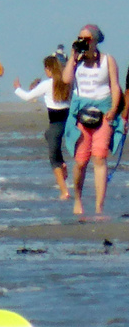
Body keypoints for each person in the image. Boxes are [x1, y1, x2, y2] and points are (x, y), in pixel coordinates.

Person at [62, 24, 122, 216]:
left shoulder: (107, 60)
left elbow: (115, 86)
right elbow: (65, 80)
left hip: (103, 112)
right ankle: (78, 200)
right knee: (80, 161)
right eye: (81, 38)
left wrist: (113, 108)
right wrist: (73, 57)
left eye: (87, 39)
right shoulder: (76, 62)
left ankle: (99, 206)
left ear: (95, 41)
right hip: (81, 113)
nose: (84, 42)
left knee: (99, 157)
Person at [15, 56, 72, 200]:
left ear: (48, 69)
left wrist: (17, 88)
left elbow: (28, 97)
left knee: (54, 159)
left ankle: (64, 191)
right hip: (69, 122)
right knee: (49, 137)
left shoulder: (48, 84)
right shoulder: (68, 82)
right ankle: (63, 165)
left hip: (56, 123)